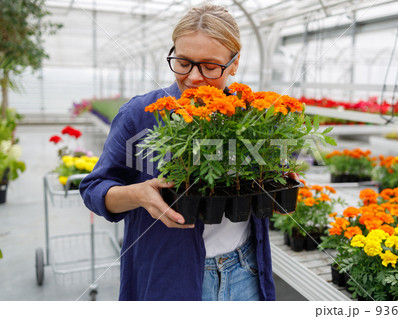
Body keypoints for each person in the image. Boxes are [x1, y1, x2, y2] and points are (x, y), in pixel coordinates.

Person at [80, 4, 276, 301]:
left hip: (245, 271)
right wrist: (138, 194)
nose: (194, 77)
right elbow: (94, 189)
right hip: (171, 277)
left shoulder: (249, 114)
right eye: (183, 62)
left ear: (234, 64)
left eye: (210, 67)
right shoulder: (139, 115)